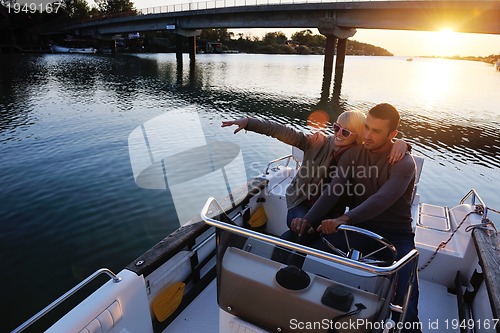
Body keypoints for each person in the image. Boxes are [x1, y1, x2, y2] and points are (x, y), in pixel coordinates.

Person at [296, 103, 420, 332]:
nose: (368, 135)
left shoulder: (404, 163)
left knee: (406, 290)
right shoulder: (353, 153)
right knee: (297, 241)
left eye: (376, 131)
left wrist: (345, 219)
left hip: (395, 235)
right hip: (358, 227)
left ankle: (409, 328)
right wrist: (308, 220)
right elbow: (333, 190)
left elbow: (383, 199)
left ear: (393, 135)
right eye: (366, 127)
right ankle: (291, 303)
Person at [222, 111, 409, 244]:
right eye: (336, 127)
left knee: (315, 237)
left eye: (345, 132)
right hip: (301, 203)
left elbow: (382, 148)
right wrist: (250, 123)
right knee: (303, 232)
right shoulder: (317, 143)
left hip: (330, 212)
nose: (337, 134)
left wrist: (403, 144)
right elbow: (282, 131)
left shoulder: (358, 154)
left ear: (359, 136)